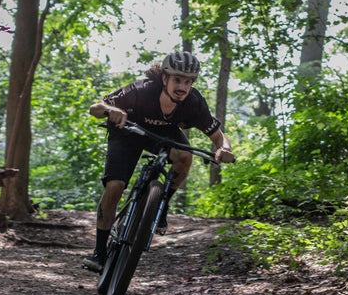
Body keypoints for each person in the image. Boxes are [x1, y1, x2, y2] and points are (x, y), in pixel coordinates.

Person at [82, 51, 235, 273]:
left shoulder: (193, 102)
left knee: (185, 156)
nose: (182, 87)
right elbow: (95, 108)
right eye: (177, 80)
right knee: (115, 186)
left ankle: (161, 204)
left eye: (188, 82)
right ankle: (99, 252)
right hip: (127, 131)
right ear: (164, 78)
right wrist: (110, 109)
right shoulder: (141, 90)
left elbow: (218, 136)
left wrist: (225, 149)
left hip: (163, 134)